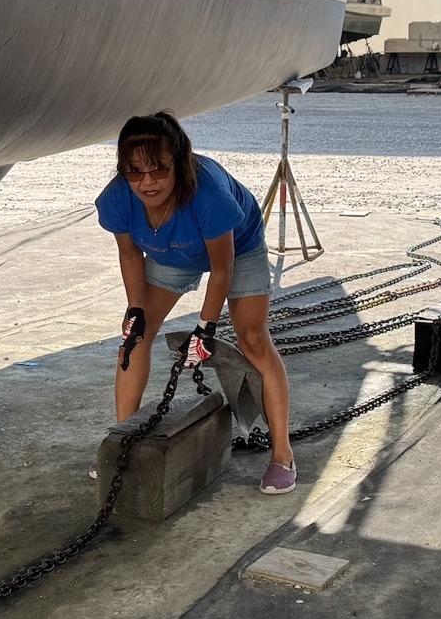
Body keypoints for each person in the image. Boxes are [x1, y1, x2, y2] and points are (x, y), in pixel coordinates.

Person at [95, 112, 296, 494]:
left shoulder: (208, 194)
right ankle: (122, 443)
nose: (147, 182)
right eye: (135, 172)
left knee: (252, 338)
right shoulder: (118, 197)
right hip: (173, 252)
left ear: (179, 163)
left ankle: (282, 454)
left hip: (238, 247)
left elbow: (222, 268)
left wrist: (205, 328)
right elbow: (129, 255)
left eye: (158, 169)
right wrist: (135, 309)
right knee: (134, 338)